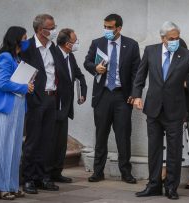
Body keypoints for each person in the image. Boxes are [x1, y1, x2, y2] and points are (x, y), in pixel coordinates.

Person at [133, 21, 189, 200]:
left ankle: (171, 187)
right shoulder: (150, 50)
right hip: (154, 109)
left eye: (177, 38)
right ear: (162, 38)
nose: (175, 41)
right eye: (171, 38)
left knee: (174, 151)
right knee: (154, 150)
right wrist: (137, 95)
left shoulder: (185, 54)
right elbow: (140, 75)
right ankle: (154, 185)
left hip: (175, 111)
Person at [84, 13, 140, 184]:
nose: (107, 30)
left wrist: (134, 94)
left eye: (110, 27)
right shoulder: (97, 43)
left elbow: (136, 72)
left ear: (119, 28)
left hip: (122, 96)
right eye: (105, 27)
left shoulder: (131, 45)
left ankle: (125, 172)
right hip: (103, 96)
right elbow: (87, 62)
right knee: (101, 135)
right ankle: (98, 171)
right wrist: (95, 68)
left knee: (123, 136)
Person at [0, 26, 34, 200]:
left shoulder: (17, 58)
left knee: (15, 149)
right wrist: (24, 87)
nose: (26, 41)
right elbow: (2, 83)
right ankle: (1, 188)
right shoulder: (5, 57)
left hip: (17, 109)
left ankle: (13, 185)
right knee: (3, 149)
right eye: (24, 38)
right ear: (16, 39)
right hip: (5, 109)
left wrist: (28, 84)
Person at [21, 14, 60, 194]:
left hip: (51, 98)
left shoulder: (53, 47)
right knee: (33, 140)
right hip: (35, 98)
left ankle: (42, 177)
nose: (53, 31)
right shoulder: (27, 47)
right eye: (51, 28)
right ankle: (28, 178)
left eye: (54, 27)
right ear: (40, 30)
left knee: (47, 140)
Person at [51, 28, 87, 183]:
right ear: (67, 44)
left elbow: (79, 75)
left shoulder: (70, 56)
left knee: (60, 144)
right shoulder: (53, 55)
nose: (77, 43)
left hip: (65, 108)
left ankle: (57, 172)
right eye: (75, 41)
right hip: (53, 106)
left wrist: (82, 92)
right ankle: (46, 174)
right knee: (51, 142)